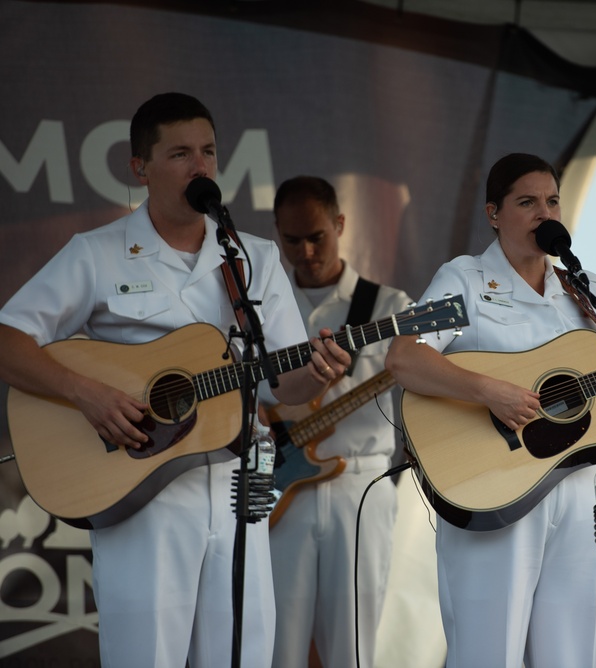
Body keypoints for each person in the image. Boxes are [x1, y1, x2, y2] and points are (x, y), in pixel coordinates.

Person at [0, 93, 352, 667]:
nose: (201, 167)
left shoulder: (253, 258)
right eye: (181, 153)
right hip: (140, 486)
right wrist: (83, 391)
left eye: (209, 151)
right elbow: (7, 339)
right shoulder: (97, 253)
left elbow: (280, 384)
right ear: (139, 167)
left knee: (243, 653)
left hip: (241, 488)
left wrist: (316, 375)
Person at [384, 152, 596, 668]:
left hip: (583, 493)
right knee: (486, 654)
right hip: (491, 482)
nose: (545, 212)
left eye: (553, 200)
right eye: (527, 202)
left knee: (572, 655)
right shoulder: (464, 279)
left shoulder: (589, 293)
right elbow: (403, 356)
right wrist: (488, 391)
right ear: (494, 213)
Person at [265, 175, 413, 667]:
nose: (305, 251)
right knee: (276, 643)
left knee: (353, 645)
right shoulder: (263, 310)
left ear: (341, 224)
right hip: (279, 489)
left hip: (362, 486)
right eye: (292, 240)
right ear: (276, 234)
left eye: (317, 237)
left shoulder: (391, 307)